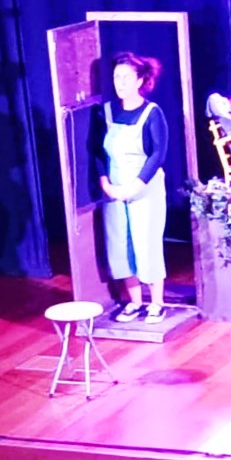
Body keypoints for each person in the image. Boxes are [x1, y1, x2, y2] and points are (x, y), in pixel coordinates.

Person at [90, 52, 170, 324]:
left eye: (126, 77)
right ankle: (134, 302)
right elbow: (97, 152)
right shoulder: (106, 112)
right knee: (119, 244)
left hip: (144, 186)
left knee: (146, 242)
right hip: (114, 187)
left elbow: (158, 154)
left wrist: (135, 186)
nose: (120, 82)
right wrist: (106, 183)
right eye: (116, 77)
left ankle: (156, 302)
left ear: (139, 81)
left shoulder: (152, 113)